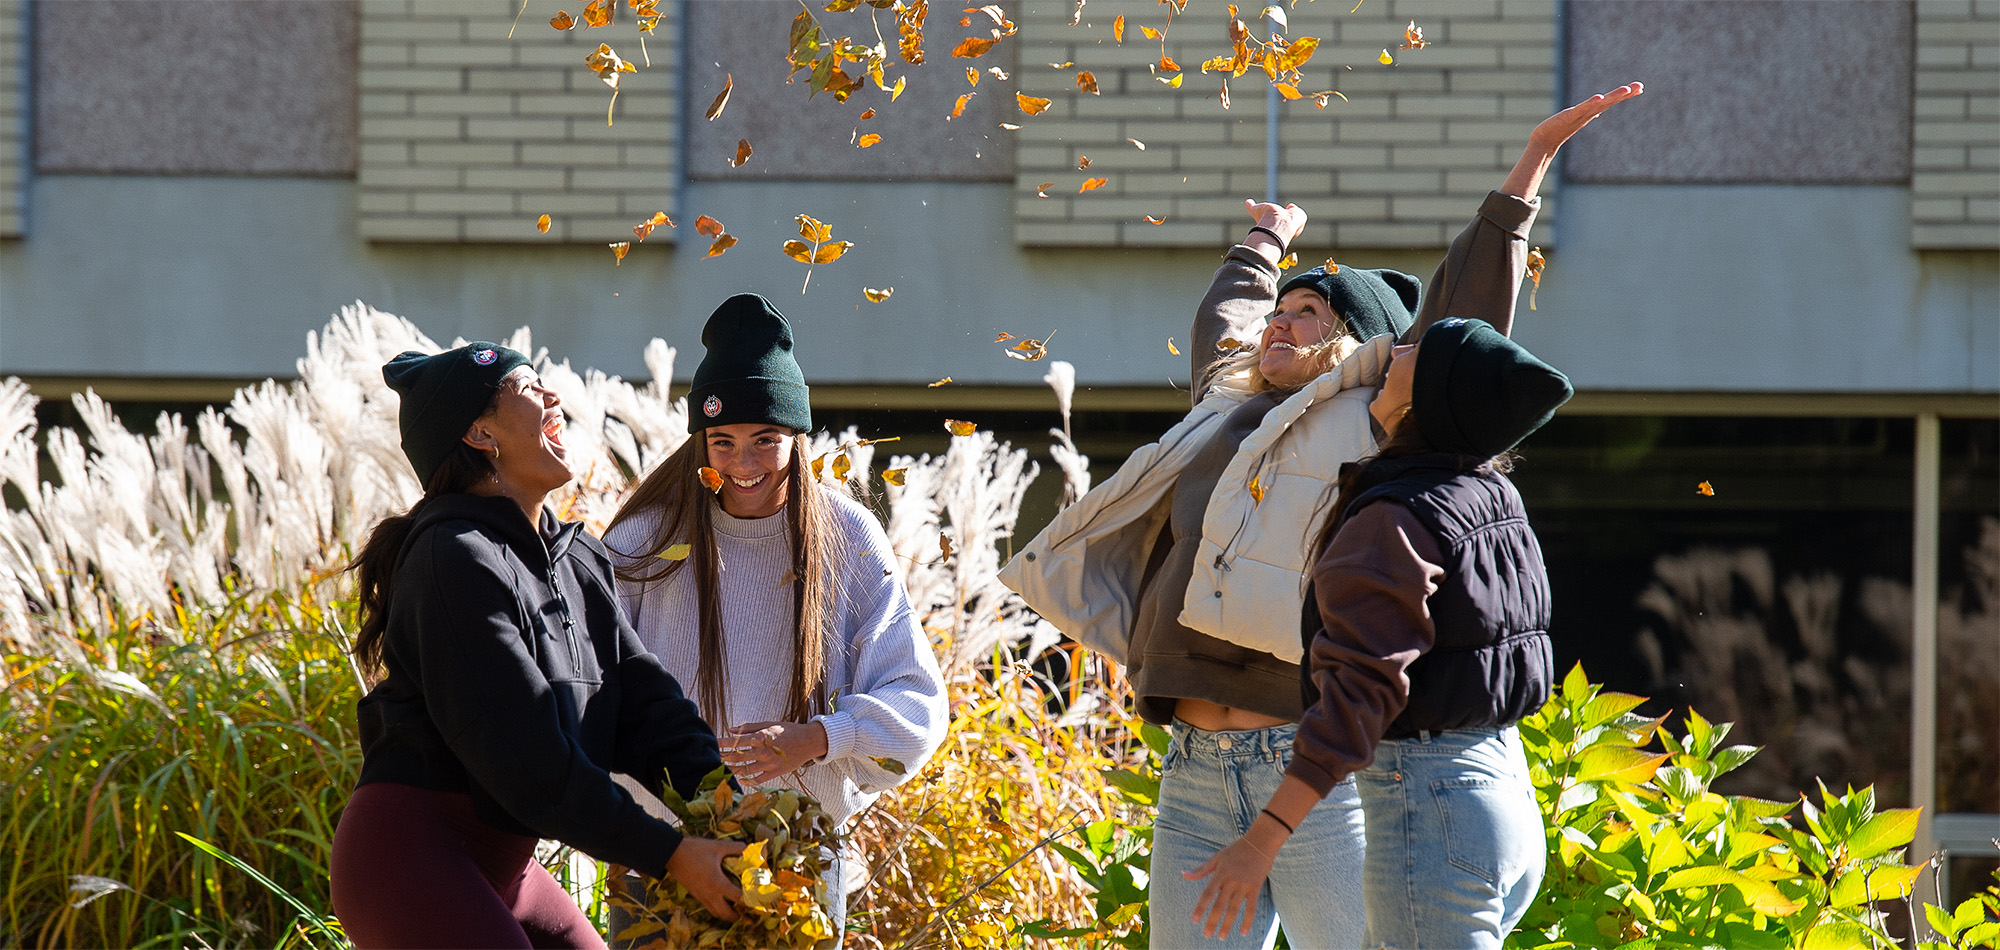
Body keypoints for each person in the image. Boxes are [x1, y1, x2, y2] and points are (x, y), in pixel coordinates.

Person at [1001, 83, 1642, 948]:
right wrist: (1266, 240)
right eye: (1280, 309)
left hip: (1308, 768)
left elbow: (1465, 315)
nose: (1280, 324)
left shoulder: (1374, 420)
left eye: (1309, 314)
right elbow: (1226, 316)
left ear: (1364, 351)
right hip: (1193, 770)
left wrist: (1525, 171)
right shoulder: (1221, 412)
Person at [330, 342, 744, 949]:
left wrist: (726, 802)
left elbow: (645, 705)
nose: (553, 395)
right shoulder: (454, 558)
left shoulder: (576, 558)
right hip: (409, 855)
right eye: (528, 387)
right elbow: (522, 756)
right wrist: (672, 853)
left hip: (507, 862)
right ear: (479, 433)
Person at [1188, 314, 1574, 949]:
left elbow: (1359, 695)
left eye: (1416, 351)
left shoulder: (1396, 517)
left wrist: (1261, 842)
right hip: (1505, 794)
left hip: (1433, 808)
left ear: (1430, 396)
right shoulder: (1492, 496)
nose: (1396, 350)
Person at [602, 293, 948, 939]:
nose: (744, 463)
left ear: (797, 437)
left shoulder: (846, 534)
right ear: (699, 441)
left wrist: (820, 737)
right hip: (658, 854)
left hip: (798, 853)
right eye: (723, 442)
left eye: (767, 439)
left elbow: (919, 706)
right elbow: (589, 688)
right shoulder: (642, 541)